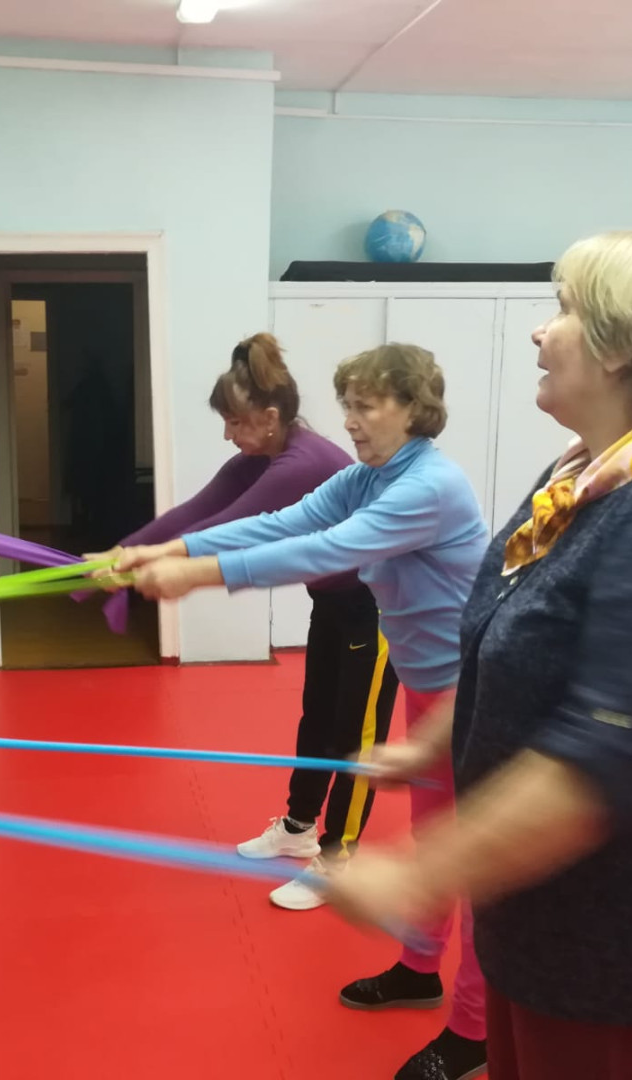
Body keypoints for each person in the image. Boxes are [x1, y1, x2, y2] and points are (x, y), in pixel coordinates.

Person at [327, 230, 632, 1080]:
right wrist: (429, 745)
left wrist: (418, 877)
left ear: (628, 346)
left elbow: (604, 754)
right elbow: (513, 638)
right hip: (531, 904)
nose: (541, 332)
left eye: (567, 310)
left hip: (615, 932)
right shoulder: (583, 477)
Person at [117, 343, 492, 1080]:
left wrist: (193, 574)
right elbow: (279, 524)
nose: (349, 420)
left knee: (472, 854)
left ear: (413, 410)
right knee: (432, 835)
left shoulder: (429, 487)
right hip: (428, 684)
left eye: (367, 406)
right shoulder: (368, 477)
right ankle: (420, 968)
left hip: (473, 692)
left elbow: (327, 549)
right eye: (347, 404)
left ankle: (475, 1030)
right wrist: (161, 546)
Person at [94, 332, 403, 911]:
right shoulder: (260, 458)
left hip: (378, 607)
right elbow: (196, 512)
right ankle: (299, 827)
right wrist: (126, 549)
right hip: (334, 600)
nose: (228, 435)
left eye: (234, 422)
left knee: (356, 737)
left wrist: (149, 563)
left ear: (269, 418)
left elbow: (229, 528)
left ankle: (337, 860)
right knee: (318, 715)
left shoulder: (301, 463)